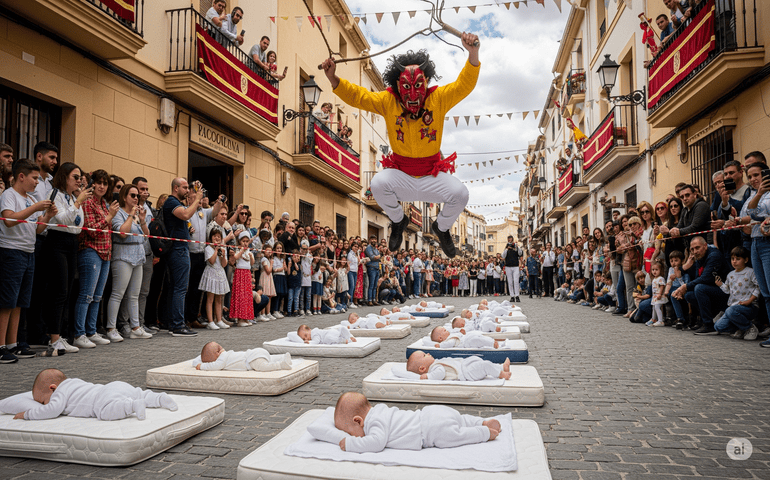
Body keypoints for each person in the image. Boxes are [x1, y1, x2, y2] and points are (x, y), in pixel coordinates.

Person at [322, 33, 480, 257]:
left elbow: (464, 85)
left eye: (418, 85)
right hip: (401, 176)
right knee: (376, 184)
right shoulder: (388, 101)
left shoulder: (439, 99)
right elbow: (359, 96)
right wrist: (333, 79)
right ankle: (399, 220)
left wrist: (473, 52)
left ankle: (441, 227)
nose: (413, 94)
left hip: (431, 176)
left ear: (425, 82)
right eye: (407, 86)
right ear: (398, 84)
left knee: (461, 194)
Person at [0, 160, 56, 362]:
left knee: (19, 302)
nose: (36, 183)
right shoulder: (9, 195)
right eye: (34, 178)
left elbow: (37, 229)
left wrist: (47, 216)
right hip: (11, 251)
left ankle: (14, 343)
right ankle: (1, 345)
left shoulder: (31, 198)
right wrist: (35, 209)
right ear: (21, 177)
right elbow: (9, 219)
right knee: (7, 301)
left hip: (28, 251)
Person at [332, 391, 501, 452]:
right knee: (461, 419)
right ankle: (481, 422)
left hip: (430, 429)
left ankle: (484, 432)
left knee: (455, 436)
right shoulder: (381, 410)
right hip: (431, 412)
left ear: (358, 421)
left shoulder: (374, 423)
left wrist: (351, 444)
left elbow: (375, 443)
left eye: (350, 431)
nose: (353, 435)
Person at [41, 163, 91, 354]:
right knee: (59, 291)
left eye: (80, 178)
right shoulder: (55, 194)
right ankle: (53, 338)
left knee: (68, 290)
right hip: (57, 241)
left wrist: (76, 202)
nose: (79, 181)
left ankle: (59, 335)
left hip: (72, 241)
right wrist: (77, 203)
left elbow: (79, 223)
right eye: (75, 177)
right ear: (64, 177)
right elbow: (63, 219)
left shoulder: (71, 197)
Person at [15, 369, 177, 421]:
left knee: (105, 412)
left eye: (43, 401)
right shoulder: (74, 382)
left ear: (52, 388)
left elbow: (52, 410)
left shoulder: (59, 392)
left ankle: (131, 406)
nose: (45, 405)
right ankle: (159, 398)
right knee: (138, 392)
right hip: (114, 386)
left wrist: (27, 415)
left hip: (102, 399)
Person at [72, 170, 117, 349]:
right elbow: (90, 229)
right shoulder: (87, 202)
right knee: (86, 295)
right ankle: (79, 334)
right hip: (90, 250)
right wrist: (108, 217)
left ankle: (91, 331)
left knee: (98, 296)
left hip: (106, 252)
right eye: (98, 183)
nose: (102, 186)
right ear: (92, 184)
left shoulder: (105, 204)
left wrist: (108, 216)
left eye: (105, 184)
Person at [107, 184, 152, 341]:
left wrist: (142, 221)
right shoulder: (118, 212)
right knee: (118, 293)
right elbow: (122, 233)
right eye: (132, 195)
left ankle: (135, 327)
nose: (135, 198)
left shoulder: (137, 214)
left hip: (138, 255)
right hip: (123, 254)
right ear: (124, 197)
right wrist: (131, 215)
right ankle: (111, 328)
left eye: (137, 196)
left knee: (134, 294)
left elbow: (146, 236)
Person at [163, 178, 203, 337]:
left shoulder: (175, 202)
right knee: (180, 288)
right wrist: (198, 199)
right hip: (178, 249)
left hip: (179, 249)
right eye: (185, 187)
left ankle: (173, 322)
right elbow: (186, 214)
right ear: (175, 188)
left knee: (175, 287)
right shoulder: (171, 202)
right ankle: (178, 325)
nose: (187, 190)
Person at [672, 236, 730, 334]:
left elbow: (705, 278)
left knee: (699, 288)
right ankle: (703, 320)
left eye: (697, 248)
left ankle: (708, 325)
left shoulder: (714, 256)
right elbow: (695, 278)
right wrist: (687, 266)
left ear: (705, 246)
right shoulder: (699, 256)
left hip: (726, 291)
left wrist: (685, 287)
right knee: (689, 294)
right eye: (692, 249)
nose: (695, 251)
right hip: (712, 289)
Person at [713, 247, 759, 339]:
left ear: (746, 260)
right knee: (718, 326)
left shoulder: (750, 272)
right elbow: (727, 290)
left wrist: (750, 301)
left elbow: (758, 287)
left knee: (730, 311)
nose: (734, 261)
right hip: (733, 308)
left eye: (738, 259)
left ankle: (750, 327)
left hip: (749, 307)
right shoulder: (730, 275)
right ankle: (740, 328)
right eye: (732, 259)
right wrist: (721, 285)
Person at [198, 228, 230, 330]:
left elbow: (224, 264)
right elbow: (211, 261)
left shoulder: (221, 249)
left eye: (219, 237)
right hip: (211, 274)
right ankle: (210, 321)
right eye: (215, 236)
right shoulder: (208, 248)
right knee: (210, 299)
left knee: (219, 299)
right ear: (211, 237)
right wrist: (216, 250)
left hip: (220, 273)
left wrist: (223, 255)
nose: (217, 238)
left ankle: (219, 320)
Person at [406, 351, 511, 380]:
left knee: (478, 360)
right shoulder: (434, 368)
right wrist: (427, 376)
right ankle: (501, 374)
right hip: (466, 373)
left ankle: (501, 367)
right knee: (484, 365)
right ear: (422, 368)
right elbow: (440, 374)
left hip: (464, 365)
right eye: (425, 355)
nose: (428, 354)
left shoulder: (434, 363)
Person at [194, 342, 292, 371]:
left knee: (263, 367)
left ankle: (281, 364)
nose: (212, 362)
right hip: (257, 353)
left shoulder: (222, 358)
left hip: (251, 359)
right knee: (269, 359)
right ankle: (282, 357)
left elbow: (216, 366)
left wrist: (202, 366)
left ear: (217, 353)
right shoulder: (227, 354)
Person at [229, 232, 255, 327]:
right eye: (243, 241)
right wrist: (241, 251)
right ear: (239, 241)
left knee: (247, 295)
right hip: (240, 273)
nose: (245, 243)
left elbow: (252, 263)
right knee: (241, 295)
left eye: (247, 241)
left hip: (247, 273)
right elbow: (235, 258)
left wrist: (252, 257)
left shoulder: (249, 251)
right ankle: (239, 318)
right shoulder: (238, 249)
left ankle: (246, 317)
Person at [664, 250, 691, 329]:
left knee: (673, 295)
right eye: (671, 261)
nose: (673, 263)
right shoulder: (670, 269)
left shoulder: (685, 271)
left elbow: (685, 284)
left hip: (682, 288)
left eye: (676, 260)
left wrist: (678, 277)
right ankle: (670, 316)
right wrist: (666, 291)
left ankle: (680, 319)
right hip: (673, 288)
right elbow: (668, 282)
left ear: (682, 261)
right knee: (667, 294)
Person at [429, 326, 500, 349]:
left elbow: (458, 335)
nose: (447, 330)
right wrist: (440, 345)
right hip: (466, 342)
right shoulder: (449, 340)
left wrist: (461, 332)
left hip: (466, 337)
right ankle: (492, 343)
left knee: (478, 335)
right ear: (441, 338)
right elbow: (449, 344)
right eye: (444, 331)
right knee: (477, 340)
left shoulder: (451, 335)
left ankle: (492, 340)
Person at [646, 262, 668, 327]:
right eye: (653, 270)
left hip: (659, 296)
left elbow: (662, 286)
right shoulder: (654, 279)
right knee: (654, 308)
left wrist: (660, 294)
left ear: (660, 270)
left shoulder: (660, 278)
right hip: (655, 296)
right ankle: (653, 319)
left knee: (657, 307)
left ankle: (660, 321)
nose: (654, 271)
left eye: (656, 270)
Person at [502, 236, 522, 302]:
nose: (509, 241)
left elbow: (520, 253)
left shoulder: (515, 247)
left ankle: (517, 295)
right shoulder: (506, 248)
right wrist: (507, 249)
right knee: (510, 282)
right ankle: (512, 296)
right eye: (508, 240)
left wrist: (517, 246)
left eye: (510, 240)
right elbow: (503, 256)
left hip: (515, 266)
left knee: (516, 281)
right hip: (508, 266)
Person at [364, 236, 381, 306]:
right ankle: (369, 300)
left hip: (377, 268)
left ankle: (374, 299)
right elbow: (373, 257)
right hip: (371, 268)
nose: (374, 240)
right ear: (370, 240)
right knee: (371, 285)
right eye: (372, 239)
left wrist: (377, 257)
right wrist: (378, 256)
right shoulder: (368, 248)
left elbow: (379, 258)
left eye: (375, 239)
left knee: (375, 285)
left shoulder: (375, 249)